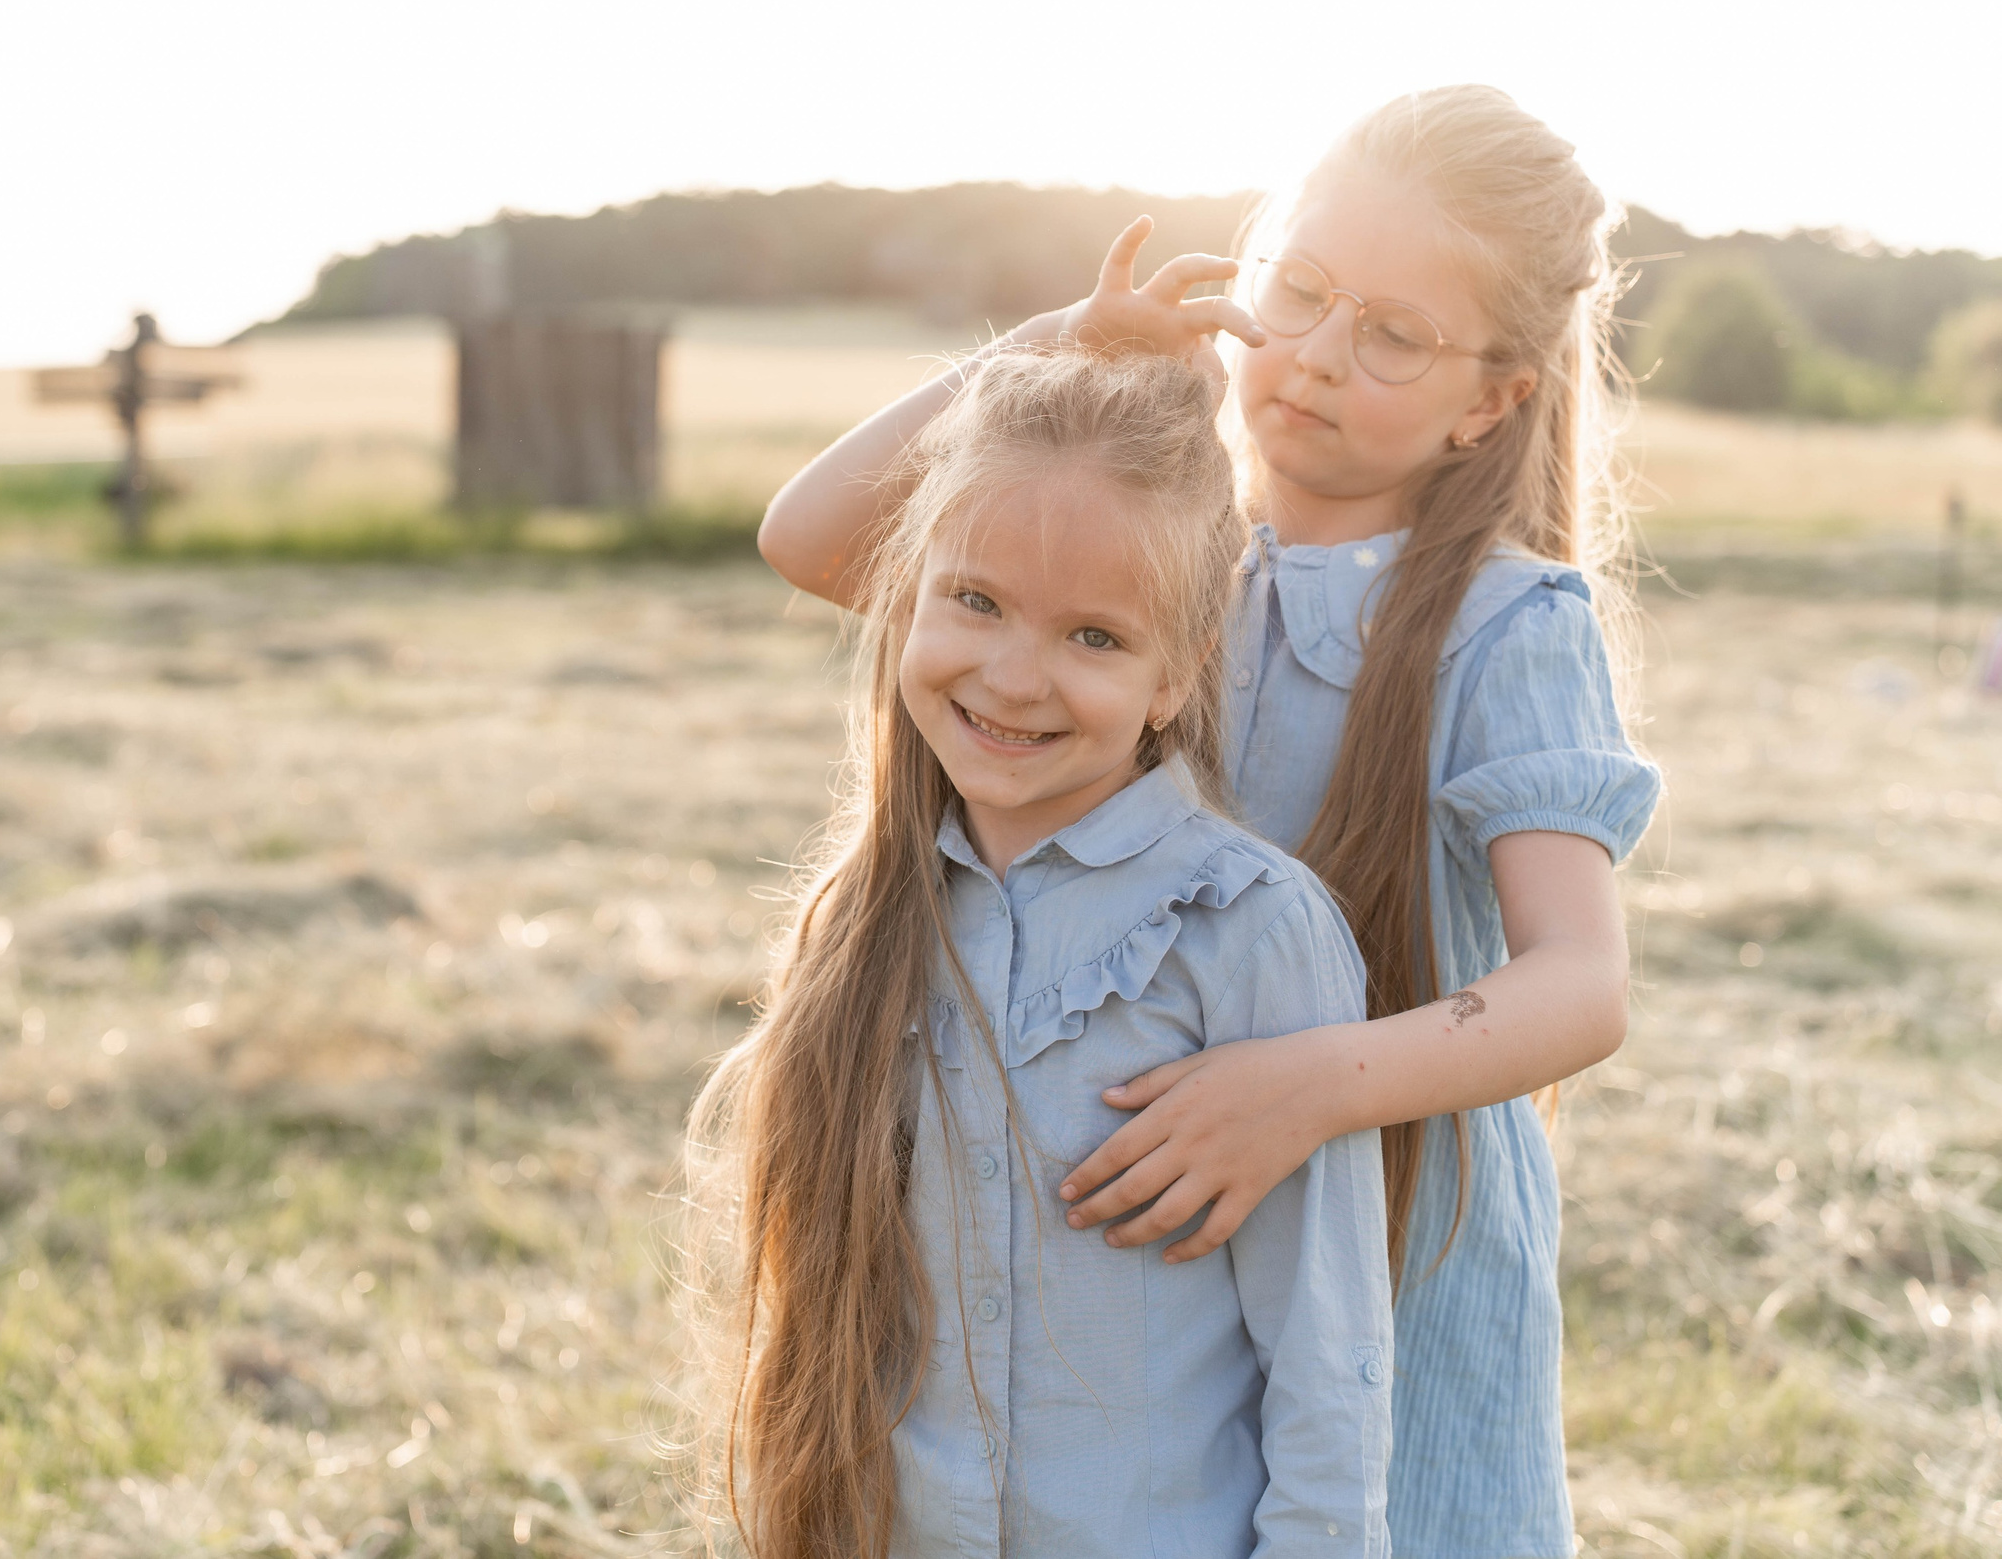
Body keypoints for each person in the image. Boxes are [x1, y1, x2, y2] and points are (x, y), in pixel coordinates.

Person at [753, 86, 1662, 1558]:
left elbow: (1584, 980)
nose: (1312, 355)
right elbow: (811, 536)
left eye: (1391, 335)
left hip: (1384, 1218)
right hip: (1136, 1238)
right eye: (1297, 289)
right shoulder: (1156, 559)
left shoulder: (1506, 621)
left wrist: (1302, 1088)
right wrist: (1063, 344)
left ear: (1490, 396)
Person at [685, 348, 1393, 1559]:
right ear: (908, 594)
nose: (1014, 677)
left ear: (1177, 672)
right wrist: (1064, 335)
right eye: (974, 602)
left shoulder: (1248, 930)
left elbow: (1328, 1361)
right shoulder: (866, 920)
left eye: (1093, 638)